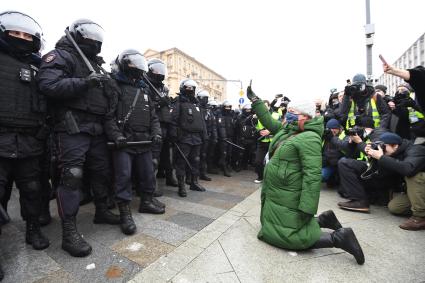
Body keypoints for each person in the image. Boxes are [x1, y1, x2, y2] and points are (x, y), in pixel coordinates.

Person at [247, 85, 365, 265]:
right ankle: (324, 219)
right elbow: (270, 122)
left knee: (290, 238)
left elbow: (312, 175)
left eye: (292, 111)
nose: (288, 114)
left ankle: (340, 238)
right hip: (281, 193)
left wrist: (307, 207)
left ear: (304, 115)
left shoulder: (309, 137)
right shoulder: (290, 130)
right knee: (276, 227)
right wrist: (256, 102)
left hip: (290, 195)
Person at [37, 19, 120, 257]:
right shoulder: (62, 56)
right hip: (72, 126)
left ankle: (102, 210)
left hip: (97, 128)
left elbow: (109, 100)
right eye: (90, 37)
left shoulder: (96, 64)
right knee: (72, 176)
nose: (94, 42)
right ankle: (69, 231)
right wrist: (84, 83)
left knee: (102, 172)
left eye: (98, 39)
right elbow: (48, 84)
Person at [0, 10, 51, 269]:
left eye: (26, 35)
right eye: (15, 33)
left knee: (32, 190)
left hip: (31, 142)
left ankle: (33, 229)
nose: (21, 38)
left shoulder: (39, 67)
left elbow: (48, 102)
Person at [365, 133, 425, 231]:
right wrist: (374, 159)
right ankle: (420, 207)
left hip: (420, 182)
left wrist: (381, 158)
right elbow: (381, 175)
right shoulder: (393, 153)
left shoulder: (416, 149)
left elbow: (408, 169)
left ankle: (420, 218)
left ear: (395, 145)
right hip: (419, 191)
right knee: (395, 207)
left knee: (414, 176)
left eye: (384, 147)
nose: (382, 150)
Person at [169, 79, 207, 197]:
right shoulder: (178, 102)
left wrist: (204, 135)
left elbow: (201, 121)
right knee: (181, 162)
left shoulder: (196, 104)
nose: (190, 90)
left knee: (195, 160)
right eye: (188, 88)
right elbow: (173, 120)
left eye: (192, 88)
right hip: (184, 137)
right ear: (183, 88)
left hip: (196, 137)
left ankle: (194, 182)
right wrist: (173, 135)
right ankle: (181, 185)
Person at [145, 58, 177, 194]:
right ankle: (151, 185)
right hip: (154, 125)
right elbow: (145, 106)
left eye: (161, 70)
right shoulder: (146, 85)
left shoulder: (164, 87)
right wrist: (159, 104)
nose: (159, 73)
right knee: (154, 157)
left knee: (167, 156)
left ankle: (169, 177)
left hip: (166, 123)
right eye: (156, 70)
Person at [197, 90, 217, 181]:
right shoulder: (197, 107)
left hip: (207, 136)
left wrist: (214, 136)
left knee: (204, 155)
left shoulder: (209, 110)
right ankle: (193, 174)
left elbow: (213, 124)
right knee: (196, 156)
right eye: (205, 98)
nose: (206, 100)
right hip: (198, 136)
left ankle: (203, 173)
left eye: (207, 98)